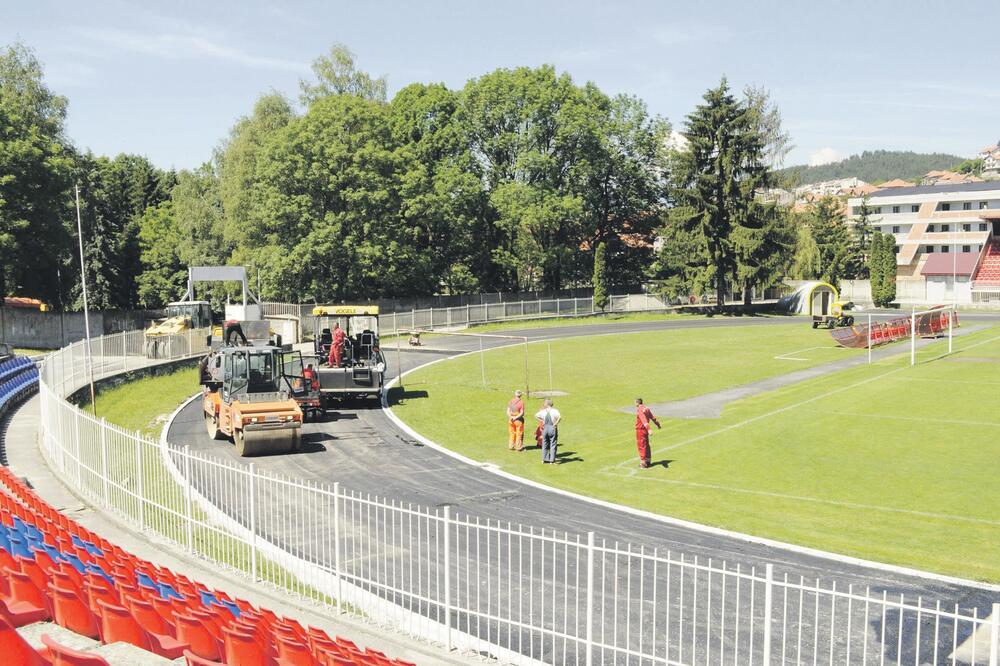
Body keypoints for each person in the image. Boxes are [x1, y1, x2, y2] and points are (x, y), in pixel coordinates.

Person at [634, 397, 661, 469]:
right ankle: (648, 461)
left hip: (641, 430)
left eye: (635, 402)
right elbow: (653, 417)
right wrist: (657, 424)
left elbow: (643, 420)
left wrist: (649, 429)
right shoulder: (646, 408)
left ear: (637, 403)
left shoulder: (640, 410)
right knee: (646, 445)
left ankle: (643, 463)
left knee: (641, 445)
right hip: (645, 430)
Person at [534, 399, 562, 464]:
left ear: (547, 404)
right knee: (553, 444)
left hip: (545, 428)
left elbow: (536, 415)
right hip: (552, 427)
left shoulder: (543, 411)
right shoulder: (555, 411)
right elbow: (559, 417)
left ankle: (544, 459)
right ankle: (551, 460)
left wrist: (542, 420)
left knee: (545, 443)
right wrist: (555, 424)